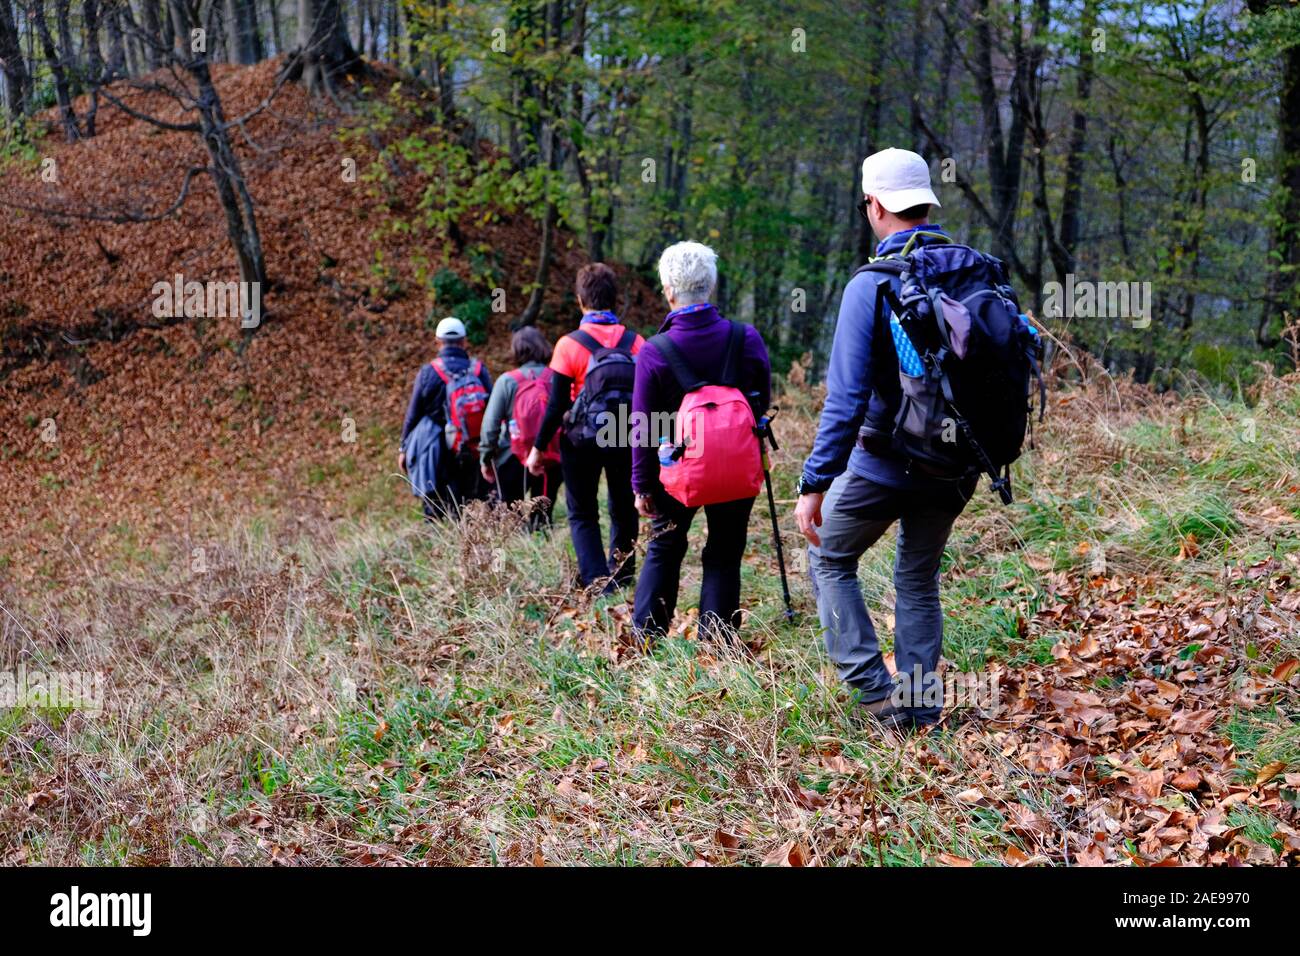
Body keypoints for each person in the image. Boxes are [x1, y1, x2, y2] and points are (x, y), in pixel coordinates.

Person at [794, 147, 976, 730]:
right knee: (918, 577)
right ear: (926, 202)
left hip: (885, 461)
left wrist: (814, 482)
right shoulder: (973, 269)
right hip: (957, 462)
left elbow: (845, 400)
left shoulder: (871, 284)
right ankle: (920, 709)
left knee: (828, 554)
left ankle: (876, 695)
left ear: (874, 205)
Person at [630, 241, 771, 643]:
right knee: (725, 551)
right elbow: (761, 403)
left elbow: (642, 424)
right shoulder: (746, 338)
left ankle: (647, 640)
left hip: (677, 470)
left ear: (668, 290)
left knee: (665, 546)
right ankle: (718, 643)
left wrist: (642, 485)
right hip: (734, 463)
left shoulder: (655, 352)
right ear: (710, 286)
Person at [525, 263, 644, 592]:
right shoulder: (637, 343)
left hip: (582, 441)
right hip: (624, 434)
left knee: (582, 512)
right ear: (615, 299)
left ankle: (596, 581)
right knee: (623, 507)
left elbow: (557, 405)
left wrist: (538, 449)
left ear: (580, 300)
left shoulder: (568, 344)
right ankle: (622, 576)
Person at [399, 316, 493, 518]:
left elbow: (413, 414)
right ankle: (473, 537)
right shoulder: (478, 370)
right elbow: (493, 410)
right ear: (464, 341)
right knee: (472, 500)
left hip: (437, 448)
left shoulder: (428, 373)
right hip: (473, 445)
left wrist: (403, 447)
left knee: (440, 502)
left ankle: (440, 538)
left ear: (438, 342)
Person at [480, 327, 563, 530]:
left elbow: (490, 426)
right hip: (550, 456)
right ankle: (542, 545)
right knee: (542, 515)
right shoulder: (557, 377)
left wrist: (486, 458)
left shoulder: (507, 381)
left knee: (512, 516)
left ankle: (519, 551)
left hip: (513, 456)